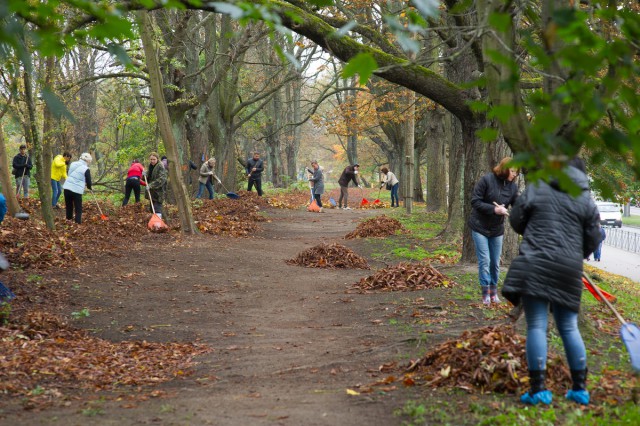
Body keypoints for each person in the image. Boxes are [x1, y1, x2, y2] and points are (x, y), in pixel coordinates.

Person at [502, 157, 602, 406]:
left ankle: (539, 391)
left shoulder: (537, 187)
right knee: (569, 326)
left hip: (535, 262)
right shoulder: (585, 199)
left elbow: (516, 220)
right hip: (568, 268)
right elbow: (594, 236)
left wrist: (532, 228)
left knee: (536, 324)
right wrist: (579, 253)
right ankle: (579, 389)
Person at [469, 157, 519, 305]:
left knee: (495, 263)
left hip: (497, 229)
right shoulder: (487, 180)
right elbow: (475, 201)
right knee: (485, 260)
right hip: (479, 226)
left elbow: (517, 205)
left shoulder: (513, 187)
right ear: (504, 169)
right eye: (512, 171)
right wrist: (494, 209)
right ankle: (486, 294)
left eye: (517, 172)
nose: (515, 174)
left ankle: (493, 292)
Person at [62, 153, 93, 224]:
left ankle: (68, 221)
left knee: (69, 206)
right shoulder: (86, 169)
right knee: (78, 208)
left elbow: (69, 174)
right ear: (87, 161)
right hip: (77, 191)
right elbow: (89, 183)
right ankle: (77, 223)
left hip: (67, 188)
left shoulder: (73, 164)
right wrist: (90, 187)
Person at [145, 152, 168, 218]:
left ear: (157, 159)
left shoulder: (160, 166)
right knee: (152, 209)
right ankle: (154, 223)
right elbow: (148, 177)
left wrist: (151, 185)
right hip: (152, 192)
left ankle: (158, 224)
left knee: (157, 208)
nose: (152, 161)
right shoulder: (150, 166)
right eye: (151, 159)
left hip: (159, 192)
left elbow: (162, 179)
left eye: (154, 159)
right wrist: (144, 175)